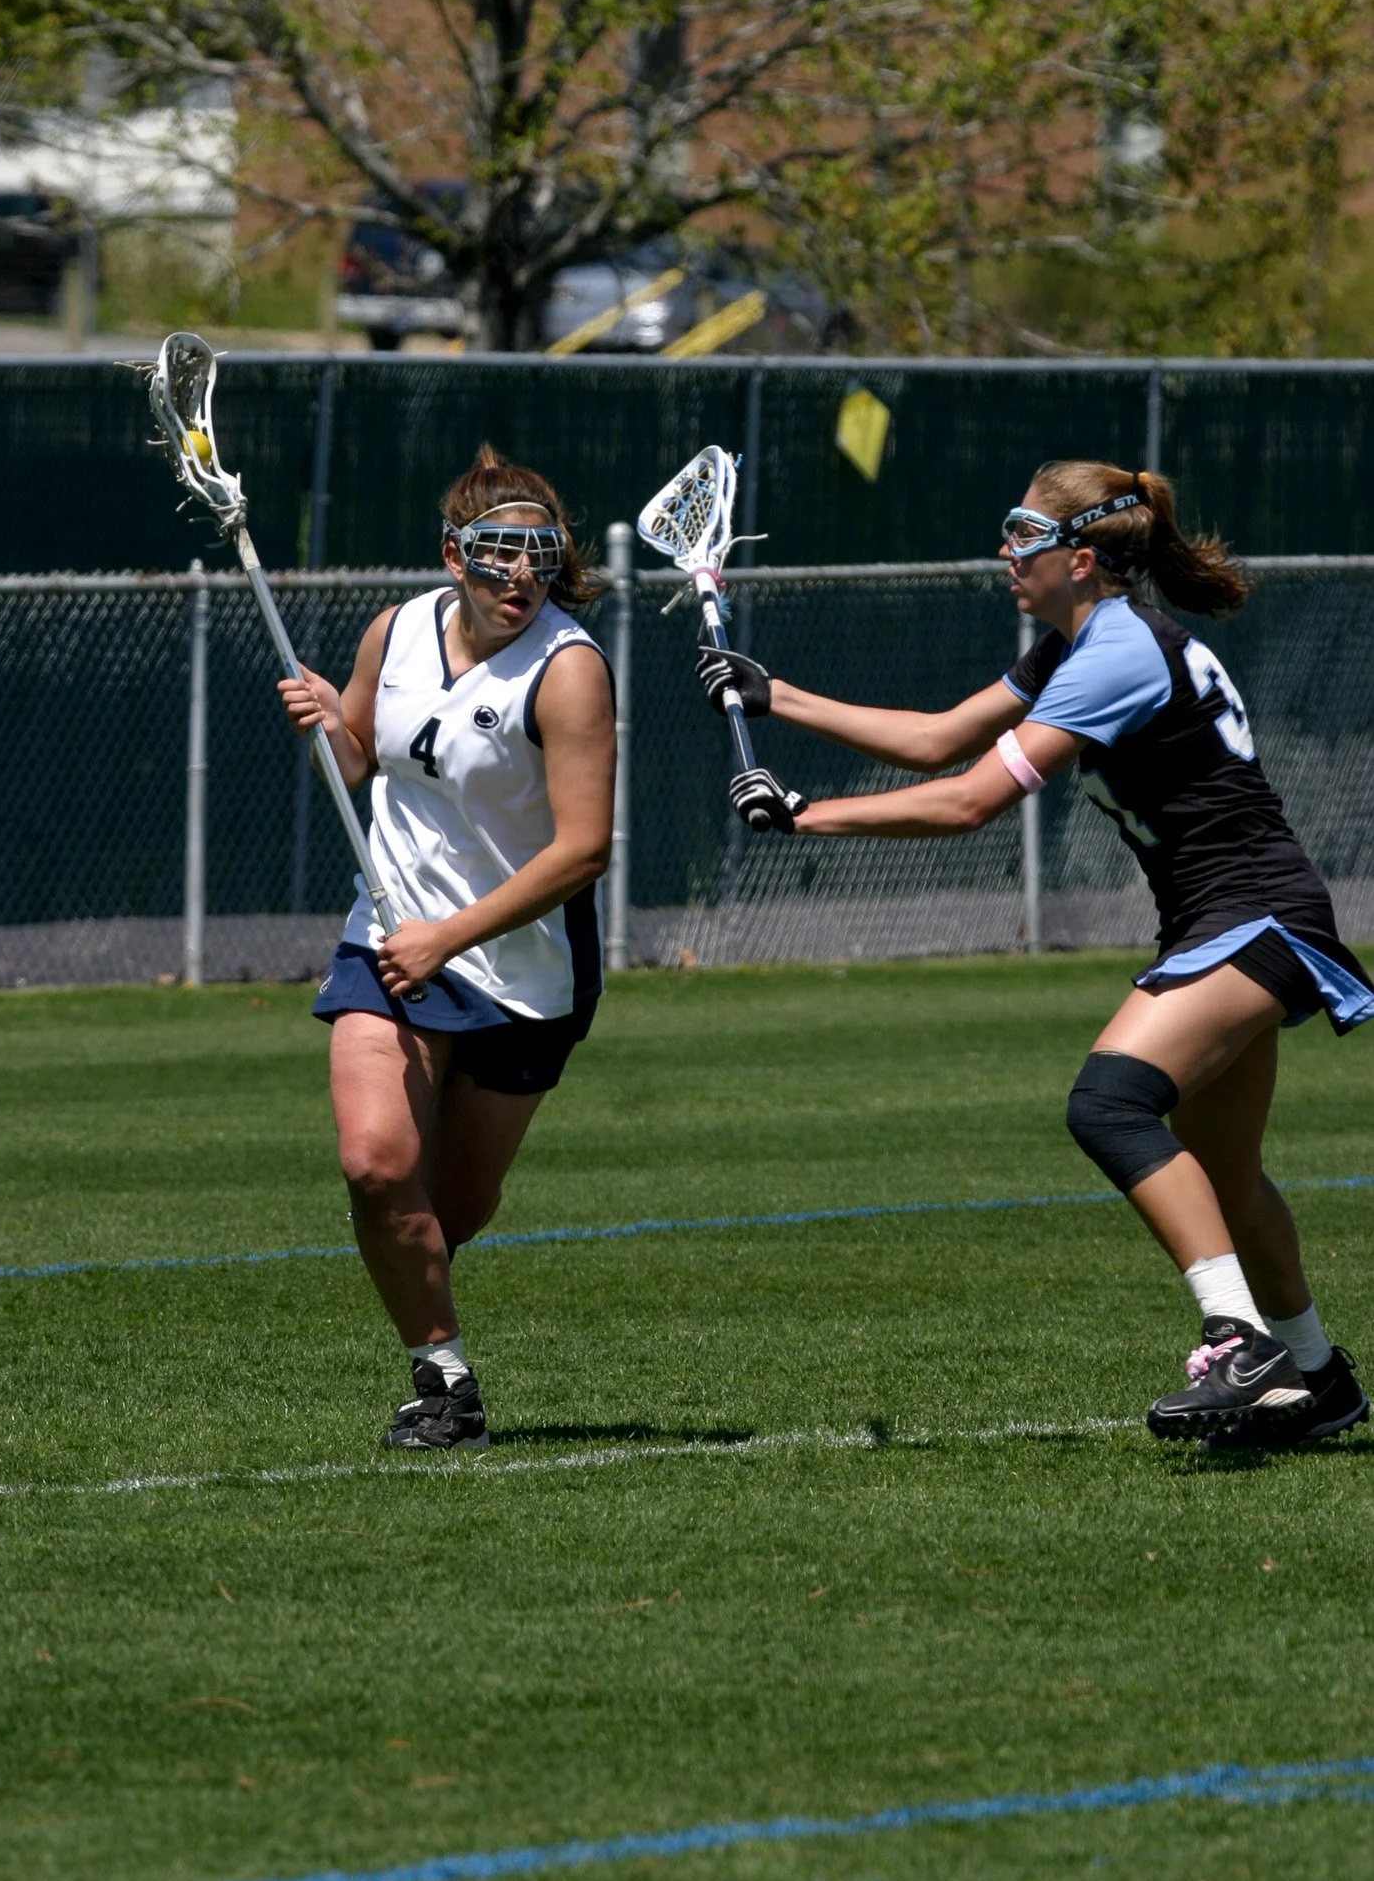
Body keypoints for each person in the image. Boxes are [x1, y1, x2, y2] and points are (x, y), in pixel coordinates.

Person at [696, 461, 1372, 1447]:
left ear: (1082, 557)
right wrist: (779, 696)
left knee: (1109, 1100)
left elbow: (972, 800)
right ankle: (1318, 1378)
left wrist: (808, 814)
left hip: (1254, 914)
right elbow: (937, 740)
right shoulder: (1074, 647)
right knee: (1225, 1171)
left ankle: (1242, 1342)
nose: (1004, 555)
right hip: (1226, 916)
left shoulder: (1118, 651)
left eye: (1021, 536)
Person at [279, 445, 614, 1451]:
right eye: (499, 556)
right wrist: (324, 722)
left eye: (540, 558)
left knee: (452, 1210)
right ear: (453, 556)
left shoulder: (568, 669)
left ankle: (433, 1320)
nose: (520, 578)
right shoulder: (399, 626)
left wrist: (451, 938)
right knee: (379, 1166)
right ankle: (446, 1382)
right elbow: (361, 759)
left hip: (523, 966)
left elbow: (583, 848)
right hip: (389, 931)